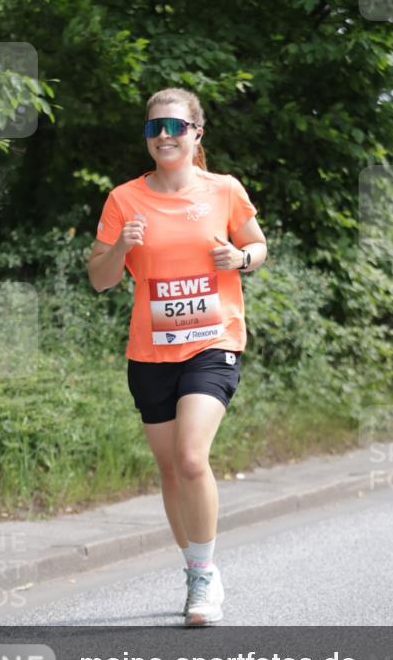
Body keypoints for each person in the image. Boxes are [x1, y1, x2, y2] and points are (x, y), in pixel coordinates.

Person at [87, 87, 267, 626]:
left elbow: (258, 246)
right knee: (169, 469)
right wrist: (122, 246)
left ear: (196, 133)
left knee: (191, 458)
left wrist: (240, 258)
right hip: (151, 351)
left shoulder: (224, 190)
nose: (164, 136)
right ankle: (194, 566)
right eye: (154, 128)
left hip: (214, 342)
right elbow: (99, 279)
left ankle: (204, 577)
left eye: (175, 127)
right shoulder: (124, 199)